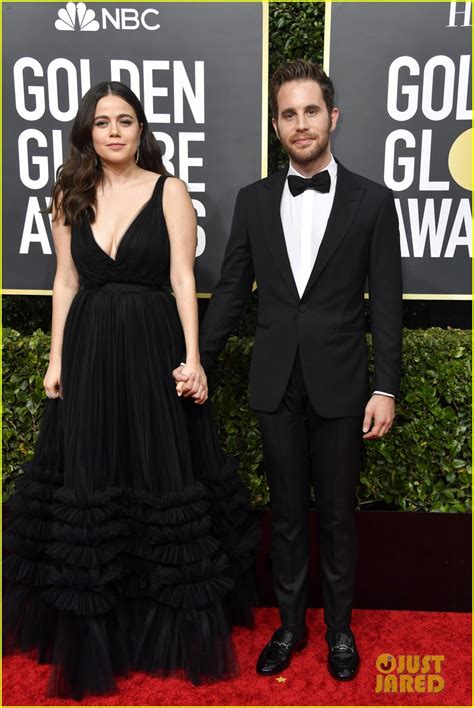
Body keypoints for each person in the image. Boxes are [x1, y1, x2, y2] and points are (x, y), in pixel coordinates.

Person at [3, 81, 258, 700]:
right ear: (87, 132)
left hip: (151, 349)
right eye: (101, 121)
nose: (114, 130)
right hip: (89, 348)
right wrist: (56, 357)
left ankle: (158, 627)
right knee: (92, 479)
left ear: (141, 129)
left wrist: (193, 358)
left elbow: (180, 278)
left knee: (156, 479)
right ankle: (100, 631)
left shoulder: (170, 191)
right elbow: (65, 280)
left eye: (125, 120)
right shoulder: (68, 194)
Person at [174, 59, 403, 682]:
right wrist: (200, 362)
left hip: (342, 381)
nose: (300, 124)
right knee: (283, 513)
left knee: (335, 514)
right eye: (287, 114)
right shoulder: (253, 201)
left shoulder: (374, 202)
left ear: (333, 117)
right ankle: (290, 626)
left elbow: (386, 301)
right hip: (275, 380)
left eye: (310, 111)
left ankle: (339, 631)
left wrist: (385, 386)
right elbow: (228, 294)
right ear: (277, 126)